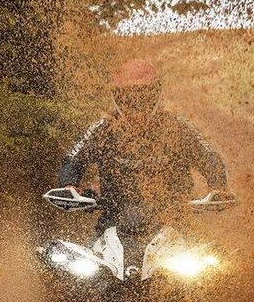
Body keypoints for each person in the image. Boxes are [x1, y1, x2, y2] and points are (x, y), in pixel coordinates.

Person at [57, 59, 229, 230]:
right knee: (79, 257)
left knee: (215, 256)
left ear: (156, 94)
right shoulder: (103, 130)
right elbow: (73, 158)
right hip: (113, 225)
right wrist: (69, 186)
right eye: (128, 98)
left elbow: (208, 155)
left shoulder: (178, 128)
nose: (137, 105)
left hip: (178, 226)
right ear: (116, 97)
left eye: (144, 96)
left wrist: (218, 186)